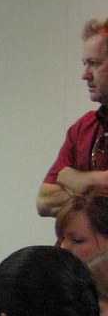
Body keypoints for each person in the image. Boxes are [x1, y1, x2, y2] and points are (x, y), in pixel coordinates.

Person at [36, 17, 108, 217]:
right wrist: (100, 186)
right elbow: (44, 200)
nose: (85, 75)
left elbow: (62, 183)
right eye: (85, 64)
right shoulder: (84, 127)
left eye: (94, 64)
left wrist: (75, 179)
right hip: (72, 248)